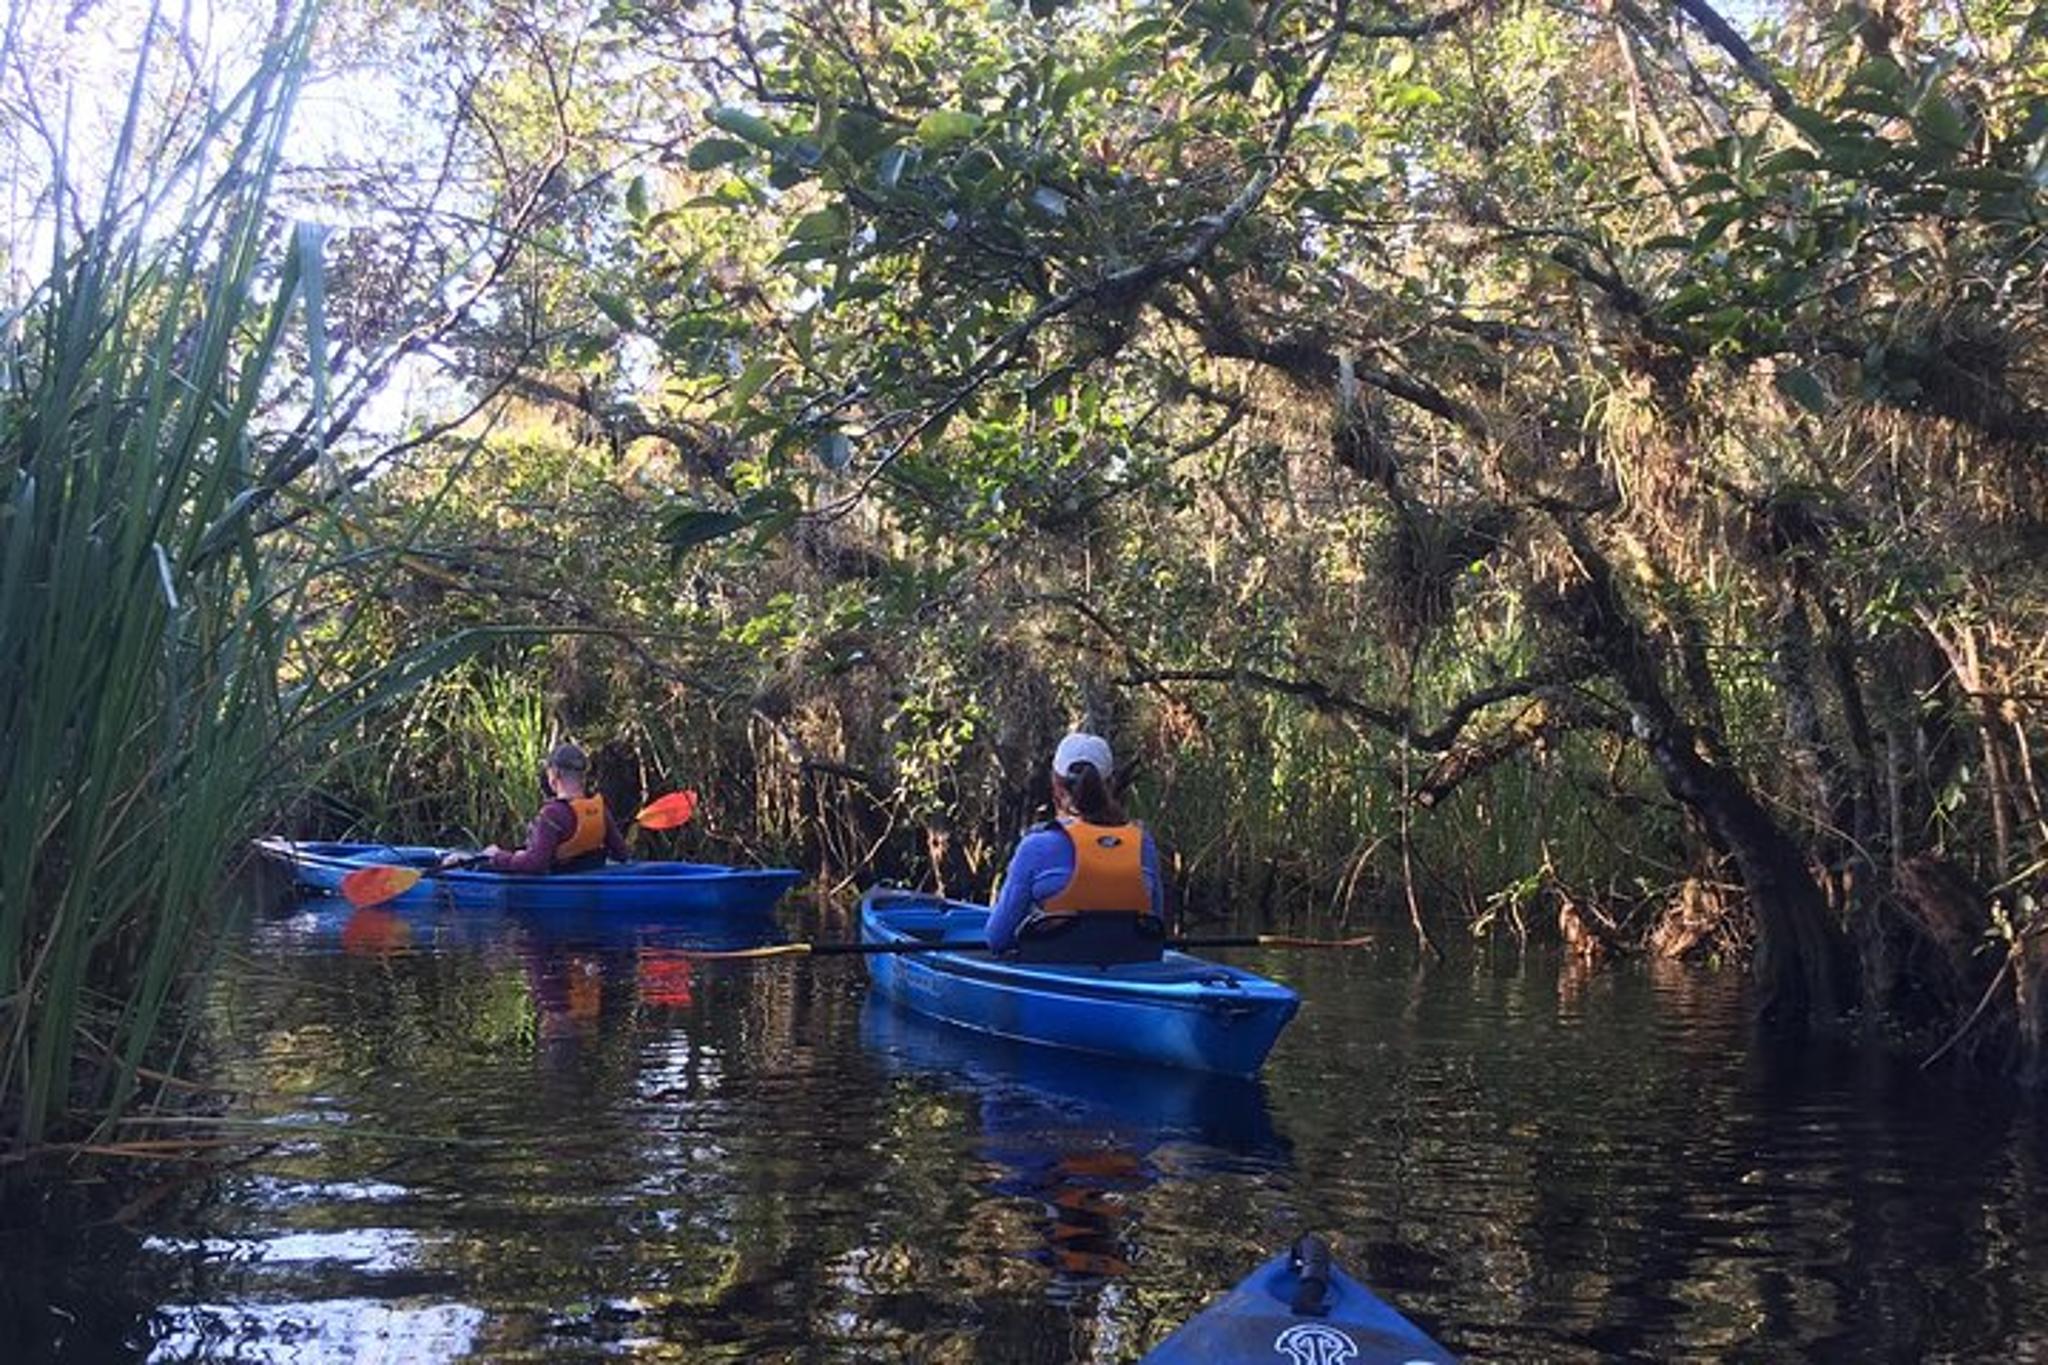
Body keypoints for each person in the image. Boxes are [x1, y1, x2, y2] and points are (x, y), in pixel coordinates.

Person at [985, 732, 1166, 963]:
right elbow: (1158, 928)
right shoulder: (1144, 845)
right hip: (1131, 974)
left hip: (1055, 977)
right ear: (1110, 785)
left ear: (1056, 786)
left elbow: (997, 938)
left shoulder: (1035, 846)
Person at [459, 742, 630, 874]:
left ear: (555, 774)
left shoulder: (553, 813)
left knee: (466, 861)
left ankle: (458, 859)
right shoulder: (599, 810)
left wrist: (496, 857)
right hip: (588, 880)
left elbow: (536, 864)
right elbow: (621, 854)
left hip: (558, 888)